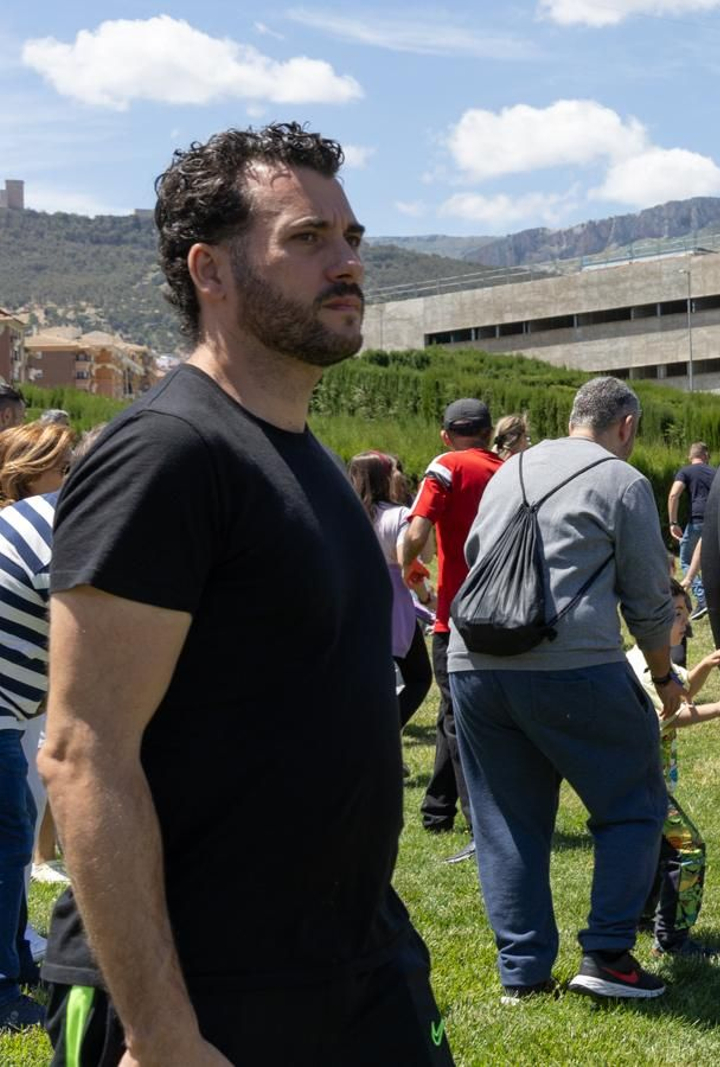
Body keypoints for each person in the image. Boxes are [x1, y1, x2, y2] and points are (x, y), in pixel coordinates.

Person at [37, 122, 452, 1065]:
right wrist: (162, 1033)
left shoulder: (306, 459)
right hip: (202, 995)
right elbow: (84, 752)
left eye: (351, 238)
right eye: (307, 238)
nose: (347, 262)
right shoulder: (168, 453)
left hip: (355, 964)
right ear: (211, 271)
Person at [450, 375, 684, 1003]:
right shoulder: (621, 481)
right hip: (570, 664)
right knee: (634, 802)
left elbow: (476, 555)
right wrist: (663, 678)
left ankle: (523, 974)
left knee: (506, 820)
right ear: (626, 426)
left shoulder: (511, 469)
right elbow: (649, 600)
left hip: (473, 664)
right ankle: (607, 955)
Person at [400, 397, 503, 859]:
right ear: (489, 432)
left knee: (461, 720)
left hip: (455, 615)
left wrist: (411, 570)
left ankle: (482, 826)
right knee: (451, 710)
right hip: (502, 612)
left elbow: (416, 533)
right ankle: (437, 809)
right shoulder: (510, 470)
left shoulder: (445, 466)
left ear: (446, 435)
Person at [0, 422, 75, 1032]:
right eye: (65, 467)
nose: (75, 478)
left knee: (13, 834)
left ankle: (17, 958)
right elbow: (84, 630)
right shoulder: (51, 525)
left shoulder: (17, 521)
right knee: (7, 843)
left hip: (6, 713)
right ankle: (2, 988)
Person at [627, 580, 720, 958]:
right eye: (677, 614)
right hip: (641, 784)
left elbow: (682, 689)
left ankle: (641, 917)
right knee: (688, 849)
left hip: (637, 782)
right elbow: (674, 713)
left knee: (655, 850)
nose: (684, 623)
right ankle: (672, 939)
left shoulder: (652, 660)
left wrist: (706, 665)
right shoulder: (644, 669)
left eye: (686, 614)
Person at [349, 451, 434, 729]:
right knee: (419, 677)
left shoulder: (347, 514)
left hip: (355, 602)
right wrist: (427, 598)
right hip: (393, 605)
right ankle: (380, 733)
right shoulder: (398, 515)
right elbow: (407, 562)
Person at [667, 442, 716, 616]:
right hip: (715, 519)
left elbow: (674, 495)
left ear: (690, 456)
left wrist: (673, 522)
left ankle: (703, 599)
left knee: (686, 559)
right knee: (712, 561)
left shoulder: (686, 471)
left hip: (697, 520)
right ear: (706, 455)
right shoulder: (715, 472)